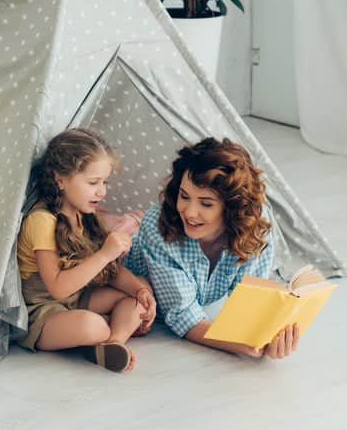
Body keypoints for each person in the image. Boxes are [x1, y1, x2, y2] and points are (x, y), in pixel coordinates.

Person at [126, 137, 300, 360]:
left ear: (233, 207)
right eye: (184, 196)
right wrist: (241, 345)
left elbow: (249, 303)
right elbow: (185, 318)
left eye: (206, 203)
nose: (189, 212)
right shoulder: (158, 226)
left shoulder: (255, 223)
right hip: (130, 288)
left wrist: (268, 338)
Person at [17, 128, 157, 372]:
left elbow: (112, 272)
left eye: (104, 182)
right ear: (60, 180)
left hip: (78, 298)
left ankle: (113, 344)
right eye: (93, 183)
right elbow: (58, 288)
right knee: (93, 326)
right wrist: (104, 254)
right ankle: (106, 333)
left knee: (139, 291)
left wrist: (140, 290)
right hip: (42, 312)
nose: (101, 191)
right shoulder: (42, 220)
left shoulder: (85, 215)